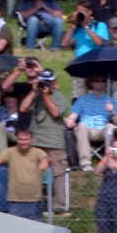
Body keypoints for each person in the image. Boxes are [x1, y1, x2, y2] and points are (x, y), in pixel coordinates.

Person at [18, 67, 69, 212]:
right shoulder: (36, 95)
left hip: (54, 142)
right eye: (44, 82)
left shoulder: (59, 97)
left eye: (49, 82)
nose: (46, 85)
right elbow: (23, 108)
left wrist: (46, 96)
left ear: (54, 83)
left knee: (59, 172)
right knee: (34, 172)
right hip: (37, 141)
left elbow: (56, 113)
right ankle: (35, 203)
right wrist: (34, 91)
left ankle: (59, 206)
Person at [68, 75, 117, 170]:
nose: (100, 83)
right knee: (82, 125)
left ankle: (109, 160)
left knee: (110, 127)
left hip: (102, 130)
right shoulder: (82, 100)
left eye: (103, 81)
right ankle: (85, 163)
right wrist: (70, 122)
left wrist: (112, 111)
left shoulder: (110, 100)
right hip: (86, 129)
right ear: (91, 83)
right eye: (97, 80)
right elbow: (72, 118)